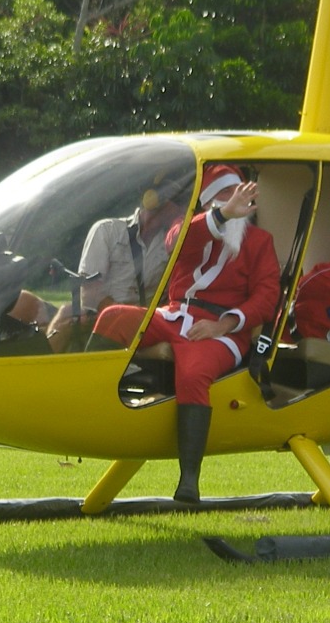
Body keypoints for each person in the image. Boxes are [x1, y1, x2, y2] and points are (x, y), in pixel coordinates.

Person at [94, 164, 279, 502]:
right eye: (226, 196)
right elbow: (177, 242)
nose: (237, 202)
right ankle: (92, 405)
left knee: (193, 373)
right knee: (111, 318)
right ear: (210, 202)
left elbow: (267, 298)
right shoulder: (187, 227)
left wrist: (224, 324)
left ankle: (189, 481)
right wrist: (223, 215)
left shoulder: (261, 241)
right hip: (174, 316)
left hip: (222, 331)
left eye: (241, 195)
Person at [44, 187, 185, 352]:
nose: (182, 211)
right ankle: (39, 370)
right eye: (179, 203)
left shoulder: (174, 244)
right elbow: (89, 293)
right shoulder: (107, 230)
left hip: (144, 321)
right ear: (153, 199)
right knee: (67, 312)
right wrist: (117, 315)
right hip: (103, 314)